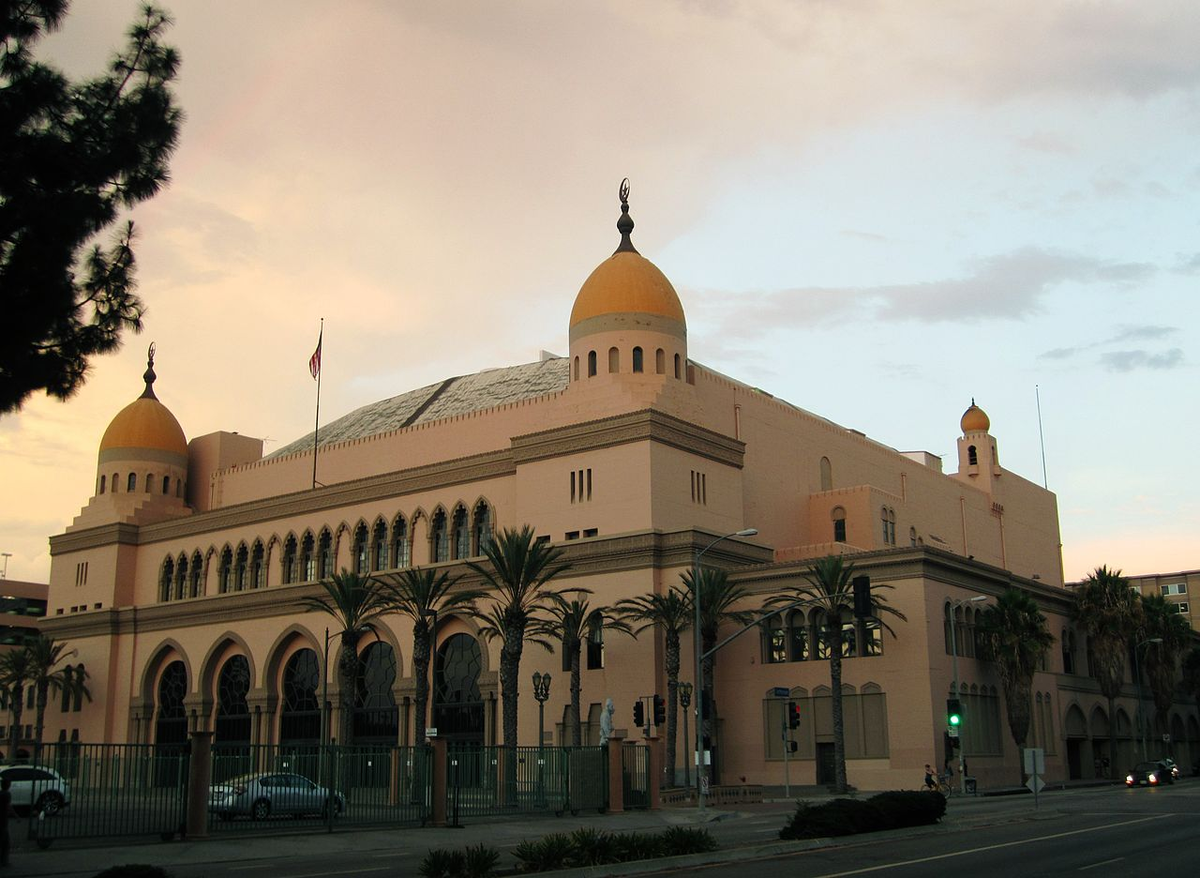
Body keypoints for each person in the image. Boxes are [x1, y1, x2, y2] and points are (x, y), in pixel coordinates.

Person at [0, 776, 14, 869]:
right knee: (5, 843)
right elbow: (8, 807)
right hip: (3, 821)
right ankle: (4, 862)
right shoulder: (7, 794)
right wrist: (16, 816)